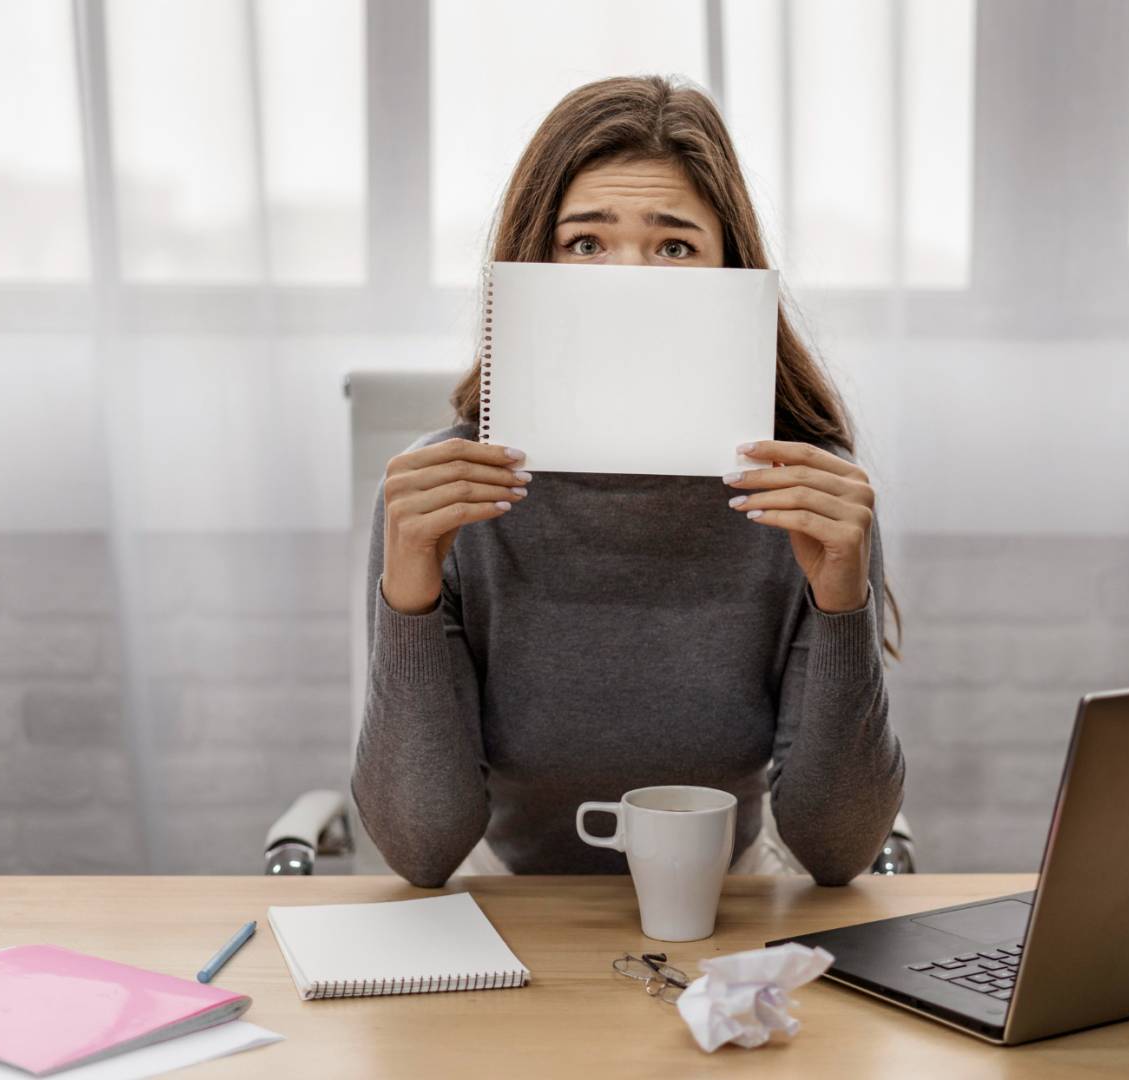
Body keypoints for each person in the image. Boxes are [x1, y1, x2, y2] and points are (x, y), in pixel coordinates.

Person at [351, 74, 905, 888]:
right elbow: (422, 847)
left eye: (675, 246)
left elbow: (834, 848)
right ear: (531, 261)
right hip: (512, 908)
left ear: (731, 272)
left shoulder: (805, 495)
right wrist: (409, 595)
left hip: (727, 908)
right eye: (585, 243)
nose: (628, 281)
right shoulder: (445, 496)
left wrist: (841, 602)